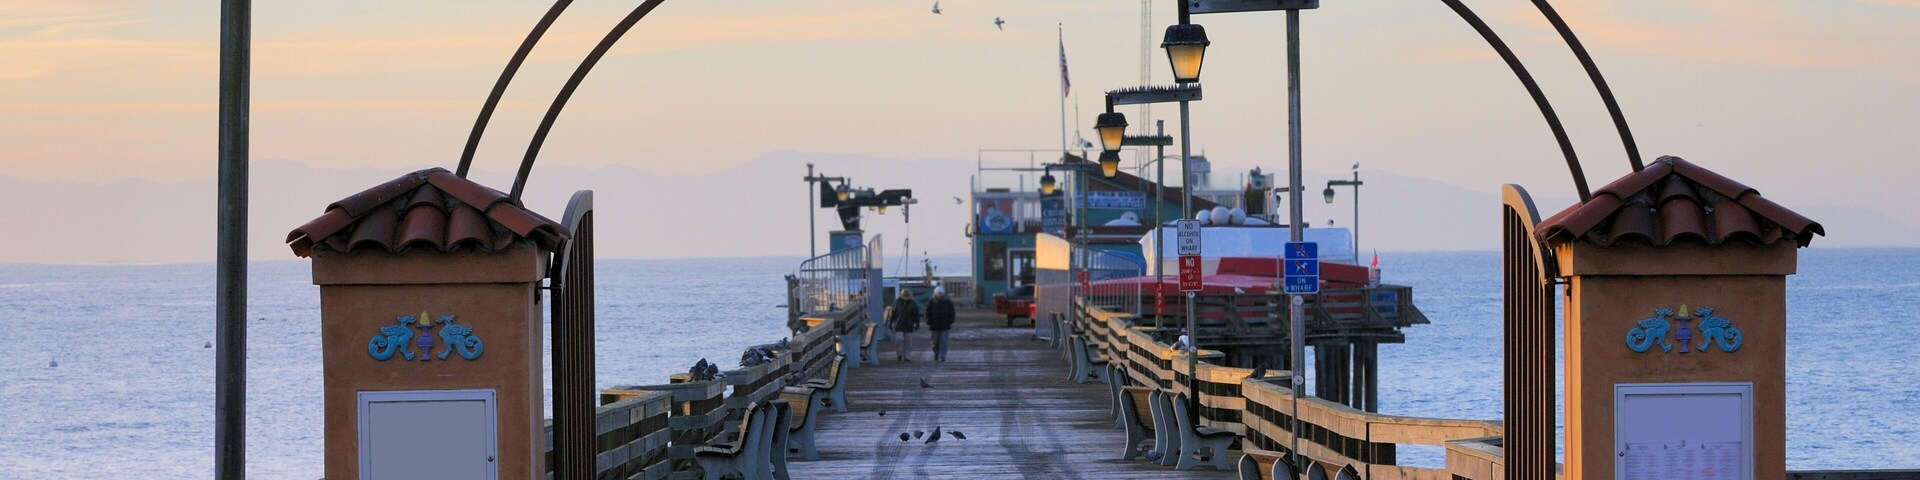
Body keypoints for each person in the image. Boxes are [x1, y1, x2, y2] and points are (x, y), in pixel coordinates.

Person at [887, 289, 922, 362]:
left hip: (909, 326)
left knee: (908, 342)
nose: (905, 298)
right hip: (898, 325)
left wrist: (917, 323)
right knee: (899, 340)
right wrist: (890, 323)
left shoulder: (912, 303)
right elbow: (892, 314)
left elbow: (916, 314)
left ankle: (907, 357)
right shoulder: (896, 302)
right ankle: (899, 354)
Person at [925, 287, 957, 362]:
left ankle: (943, 356)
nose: (939, 295)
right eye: (938, 293)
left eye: (941, 293)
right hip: (934, 326)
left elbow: (952, 313)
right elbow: (927, 313)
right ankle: (936, 353)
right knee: (935, 342)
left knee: (944, 342)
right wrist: (929, 321)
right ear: (935, 293)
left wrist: (950, 321)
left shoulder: (948, 302)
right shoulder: (931, 302)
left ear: (943, 293)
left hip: (945, 326)